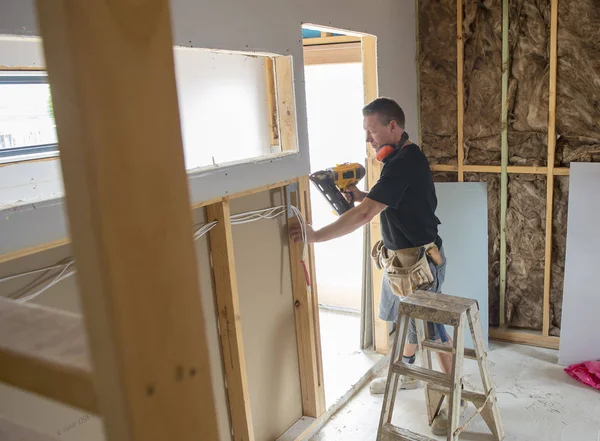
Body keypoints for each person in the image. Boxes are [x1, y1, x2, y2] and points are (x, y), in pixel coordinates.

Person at [289, 97, 465, 436]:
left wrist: (314, 236)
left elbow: (365, 215)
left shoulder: (403, 162)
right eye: (366, 133)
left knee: (434, 333)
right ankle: (410, 373)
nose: (369, 140)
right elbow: (388, 200)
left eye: (372, 132)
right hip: (402, 262)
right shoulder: (401, 157)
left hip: (420, 264)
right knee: (405, 319)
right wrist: (362, 195)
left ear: (392, 126)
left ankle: (453, 396)